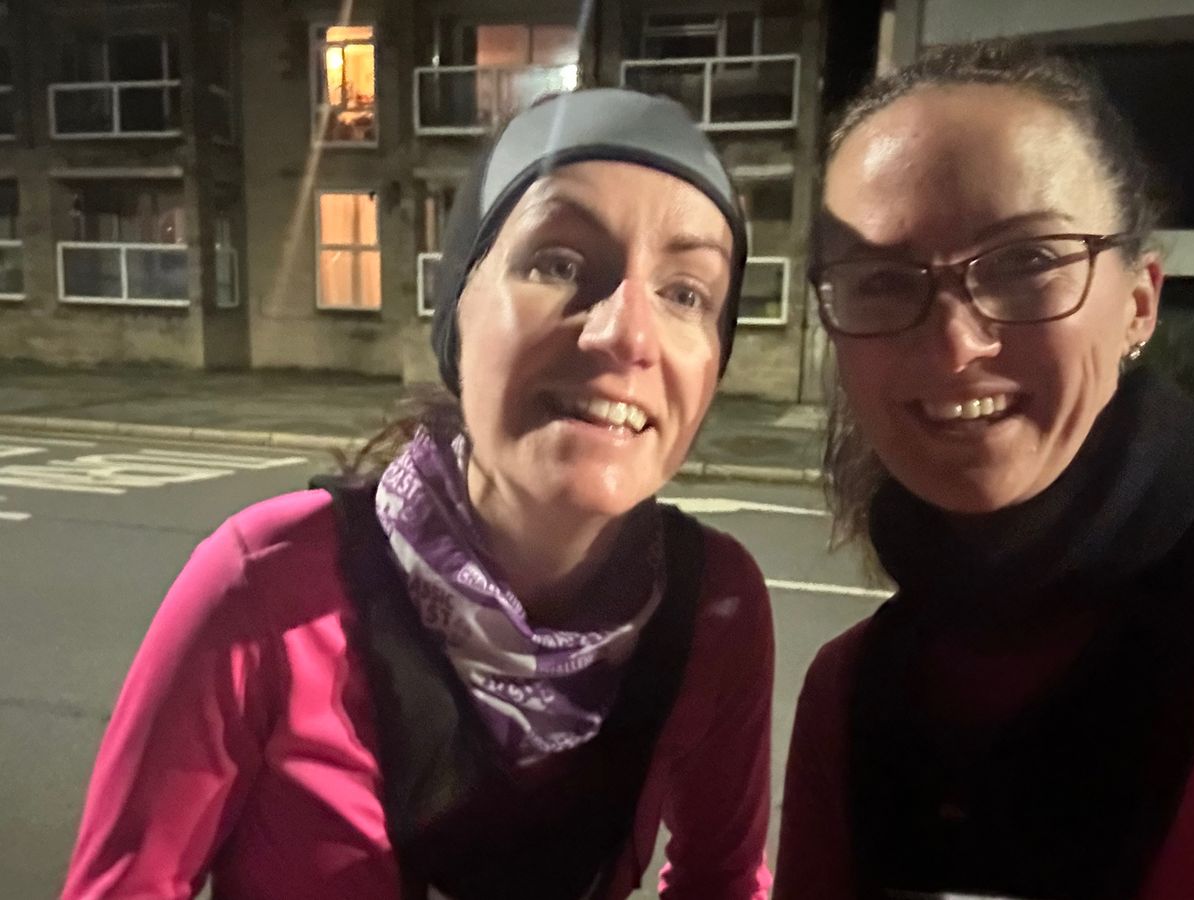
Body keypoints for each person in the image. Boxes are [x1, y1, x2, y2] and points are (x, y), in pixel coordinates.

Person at [63, 89, 774, 900]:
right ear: (456, 313)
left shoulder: (713, 609)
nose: (627, 333)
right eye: (558, 263)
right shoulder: (266, 584)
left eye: (686, 293)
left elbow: (723, 882)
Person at [775, 40, 1194, 899]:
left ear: (1139, 302)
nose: (955, 346)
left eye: (1026, 261)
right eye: (881, 280)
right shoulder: (852, 692)